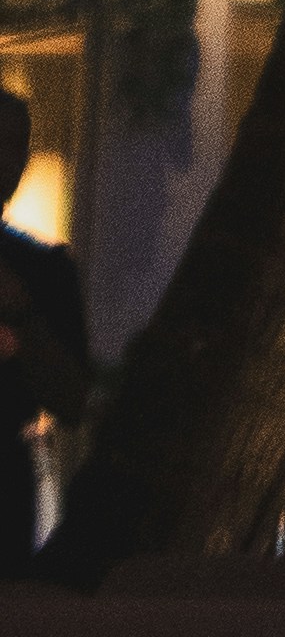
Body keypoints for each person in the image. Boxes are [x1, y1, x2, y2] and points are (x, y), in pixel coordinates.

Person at [0, 101, 89, 582]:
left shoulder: (44, 269)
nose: (7, 160)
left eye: (16, 145)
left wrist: (23, 314)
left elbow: (73, 399)